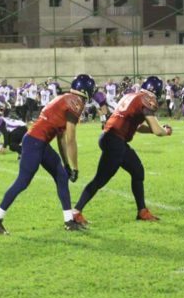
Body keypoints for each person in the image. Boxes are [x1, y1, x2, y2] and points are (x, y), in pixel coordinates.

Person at [0, 74, 96, 235]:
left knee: (61, 176)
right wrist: (75, 167)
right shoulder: (75, 102)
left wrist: (66, 165)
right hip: (34, 142)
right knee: (23, 181)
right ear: (85, 90)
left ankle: (69, 221)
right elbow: (71, 138)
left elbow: (61, 138)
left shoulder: (65, 98)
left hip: (40, 142)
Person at [73, 76, 172, 225]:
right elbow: (158, 130)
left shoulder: (132, 95)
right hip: (114, 140)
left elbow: (137, 126)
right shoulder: (146, 98)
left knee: (138, 171)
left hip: (113, 138)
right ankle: (76, 212)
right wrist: (166, 131)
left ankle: (142, 211)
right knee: (100, 179)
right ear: (155, 90)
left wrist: (155, 130)